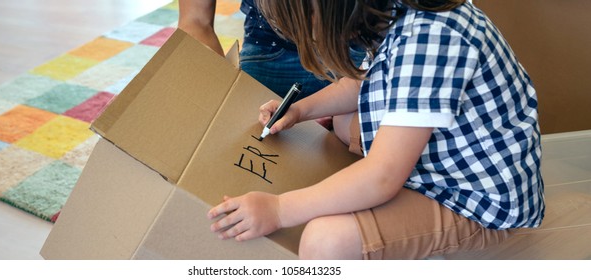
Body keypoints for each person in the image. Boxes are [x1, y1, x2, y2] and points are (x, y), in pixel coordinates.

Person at [206, 0, 545, 259]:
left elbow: (382, 177)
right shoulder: (390, 13)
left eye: (307, 25)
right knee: (342, 122)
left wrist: (279, 210)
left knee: (324, 242)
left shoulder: (428, 40)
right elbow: (360, 84)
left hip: (476, 202)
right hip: (442, 160)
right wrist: (300, 110)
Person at [178, 0, 364, 101]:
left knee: (352, 131)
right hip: (269, 48)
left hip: (358, 51)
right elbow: (195, 20)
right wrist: (219, 102)